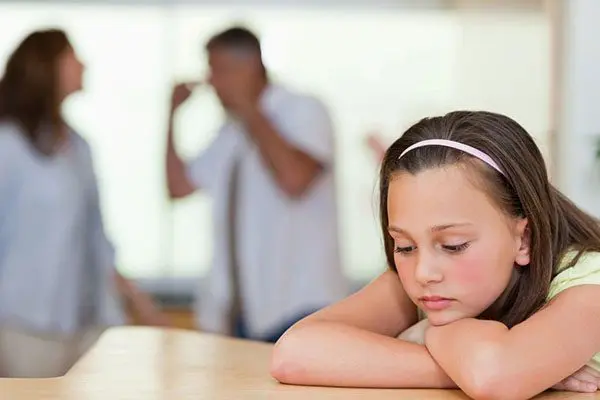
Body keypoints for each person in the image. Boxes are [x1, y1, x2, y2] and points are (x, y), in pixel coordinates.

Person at [271, 110, 600, 398]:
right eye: (404, 246)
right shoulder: (424, 282)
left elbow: (494, 376)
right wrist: (458, 366)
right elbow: (295, 352)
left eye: (454, 245)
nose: (423, 272)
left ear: (524, 239)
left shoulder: (589, 283)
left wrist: (427, 336)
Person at [0, 29, 169, 378]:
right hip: (24, 328)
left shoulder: (77, 147)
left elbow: (96, 241)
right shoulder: (9, 145)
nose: (83, 64)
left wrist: (139, 303)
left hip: (84, 325)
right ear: (46, 67)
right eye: (72, 55)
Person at [166, 26, 348, 342]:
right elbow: (178, 187)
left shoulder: (304, 109)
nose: (211, 82)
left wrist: (250, 107)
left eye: (219, 71)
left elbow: (294, 180)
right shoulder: (231, 131)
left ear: (249, 67)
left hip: (302, 309)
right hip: (247, 316)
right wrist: (171, 117)